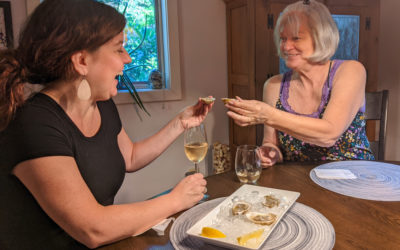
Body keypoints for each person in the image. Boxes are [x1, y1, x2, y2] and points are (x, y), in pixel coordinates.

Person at [0, 0, 212, 249]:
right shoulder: (34, 124)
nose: (128, 57)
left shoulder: (100, 105)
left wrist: (180, 123)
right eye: (118, 48)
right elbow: (93, 228)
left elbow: (130, 157)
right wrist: (175, 200)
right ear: (82, 61)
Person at [225, 0, 374, 168]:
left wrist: (268, 115)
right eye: (282, 39)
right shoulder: (273, 86)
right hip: (298, 181)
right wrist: (270, 152)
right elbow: (271, 143)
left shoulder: (350, 70)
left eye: (296, 38)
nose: (286, 47)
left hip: (355, 178)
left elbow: (329, 134)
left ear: (320, 38)